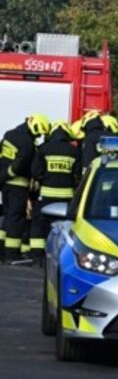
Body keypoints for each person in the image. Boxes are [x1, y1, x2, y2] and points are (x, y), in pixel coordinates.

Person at [30, 121, 81, 268]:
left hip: (46, 196)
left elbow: (35, 172)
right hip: (67, 198)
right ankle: (64, 258)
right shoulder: (74, 152)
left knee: (39, 226)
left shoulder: (44, 149)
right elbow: (78, 176)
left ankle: (37, 257)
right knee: (66, 229)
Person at [1, 114, 50, 266]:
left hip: (5, 183)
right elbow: (22, 165)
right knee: (16, 218)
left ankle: (2, 250)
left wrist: (3, 176)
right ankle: (12, 254)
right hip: (18, 185)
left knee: (8, 216)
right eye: (39, 133)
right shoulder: (28, 144)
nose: (39, 136)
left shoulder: (9, 134)